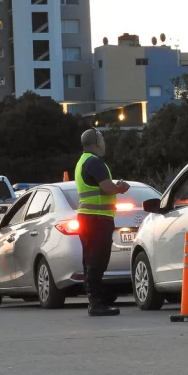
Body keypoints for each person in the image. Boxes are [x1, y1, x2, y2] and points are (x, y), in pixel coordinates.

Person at [75, 128, 130, 317]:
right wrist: (120, 188)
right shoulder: (94, 162)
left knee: (91, 259)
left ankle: (96, 298)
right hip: (96, 218)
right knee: (97, 260)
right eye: (103, 139)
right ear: (97, 142)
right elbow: (107, 188)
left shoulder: (83, 161)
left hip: (90, 217)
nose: (105, 144)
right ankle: (96, 303)